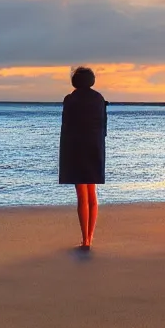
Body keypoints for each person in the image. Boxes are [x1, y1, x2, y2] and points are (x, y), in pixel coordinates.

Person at [59, 66, 107, 250]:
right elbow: (103, 126)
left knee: (82, 197)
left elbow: (66, 127)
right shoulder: (99, 98)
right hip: (94, 147)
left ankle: (85, 239)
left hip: (76, 149)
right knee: (92, 195)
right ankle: (90, 237)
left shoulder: (70, 99)